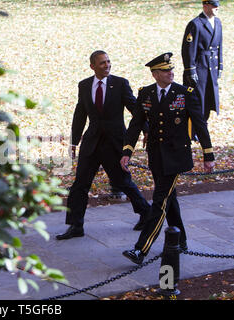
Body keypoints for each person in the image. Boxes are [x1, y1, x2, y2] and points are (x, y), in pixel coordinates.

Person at [120, 53, 215, 264]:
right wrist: (127, 151)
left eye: (171, 69)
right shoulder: (146, 94)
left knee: (160, 201)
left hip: (176, 157)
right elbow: (136, 125)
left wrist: (208, 154)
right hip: (156, 155)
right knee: (170, 199)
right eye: (165, 70)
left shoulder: (185, 93)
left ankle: (141, 249)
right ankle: (180, 241)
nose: (171, 72)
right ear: (155, 74)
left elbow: (200, 124)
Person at [56, 50, 150, 240]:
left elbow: (135, 108)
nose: (107, 65)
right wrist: (74, 141)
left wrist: (146, 129)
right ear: (92, 66)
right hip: (91, 144)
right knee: (80, 184)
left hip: (115, 143)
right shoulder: (84, 85)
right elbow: (80, 114)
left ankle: (146, 214)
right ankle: (76, 225)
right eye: (102, 63)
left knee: (122, 182)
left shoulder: (120, 84)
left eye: (108, 62)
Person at [182, 0, 223, 139]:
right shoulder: (196, 24)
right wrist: (190, 70)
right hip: (200, 67)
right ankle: (192, 131)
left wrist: (220, 65)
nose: (217, 8)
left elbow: (219, 47)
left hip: (212, 67)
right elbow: (188, 50)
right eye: (213, 5)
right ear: (205, 6)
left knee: (209, 100)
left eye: (217, 5)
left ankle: (202, 128)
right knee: (198, 101)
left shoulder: (217, 22)